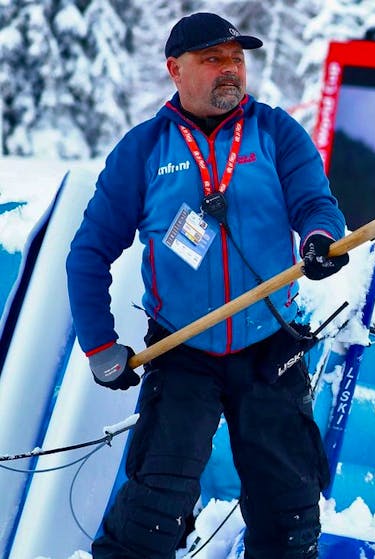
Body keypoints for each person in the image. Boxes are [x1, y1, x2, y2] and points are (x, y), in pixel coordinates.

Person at [65, 12, 348, 559]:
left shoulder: (274, 131)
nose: (230, 70)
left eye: (236, 59)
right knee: (152, 512)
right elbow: (89, 253)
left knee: (288, 510)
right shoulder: (144, 150)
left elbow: (316, 203)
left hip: (272, 344)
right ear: (175, 69)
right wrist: (100, 347)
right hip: (182, 348)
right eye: (213, 59)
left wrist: (318, 238)